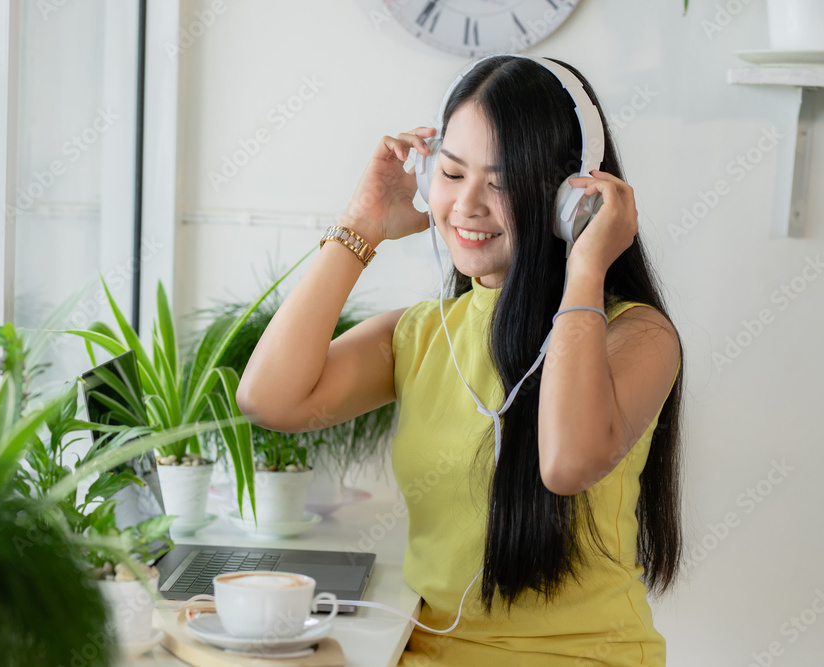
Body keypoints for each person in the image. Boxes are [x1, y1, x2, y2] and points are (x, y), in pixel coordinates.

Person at [236, 55, 684, 666]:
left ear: (567, 198)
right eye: (450, 172)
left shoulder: (638, 336)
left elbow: (566, 463)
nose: (467, 204)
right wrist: (360, 223)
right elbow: (269, 398)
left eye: (502, 182)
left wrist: (586, 265)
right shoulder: (423, 335)